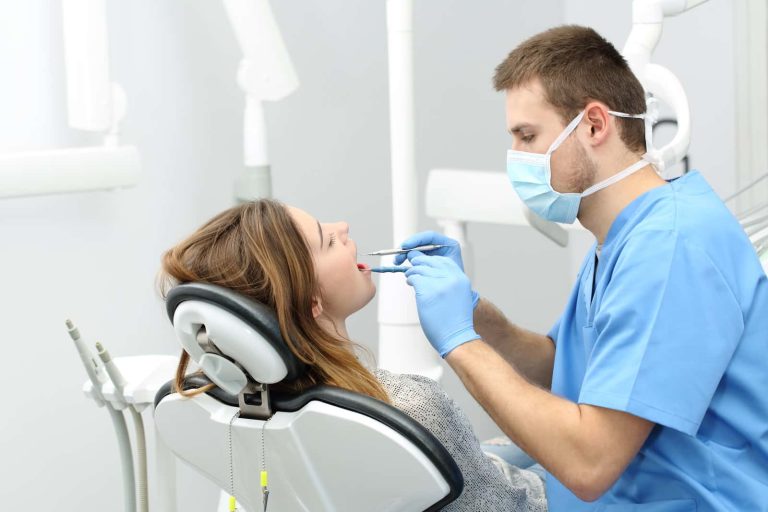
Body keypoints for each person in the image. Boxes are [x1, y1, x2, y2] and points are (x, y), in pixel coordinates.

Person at [396, 25, 768, 511]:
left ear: (594, 125)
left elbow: (590, 462)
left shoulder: (670, 247)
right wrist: (477, 316)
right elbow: (572, 368)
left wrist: (460, 344)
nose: (516, 159)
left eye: (528, 136)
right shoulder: (623, 237)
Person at [157, 199, 547, 512]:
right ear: (311, 302)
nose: (343, 226)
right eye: (327, 241)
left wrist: (472, 308)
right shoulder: (412, 409)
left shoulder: (248, 414)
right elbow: (518, 504)